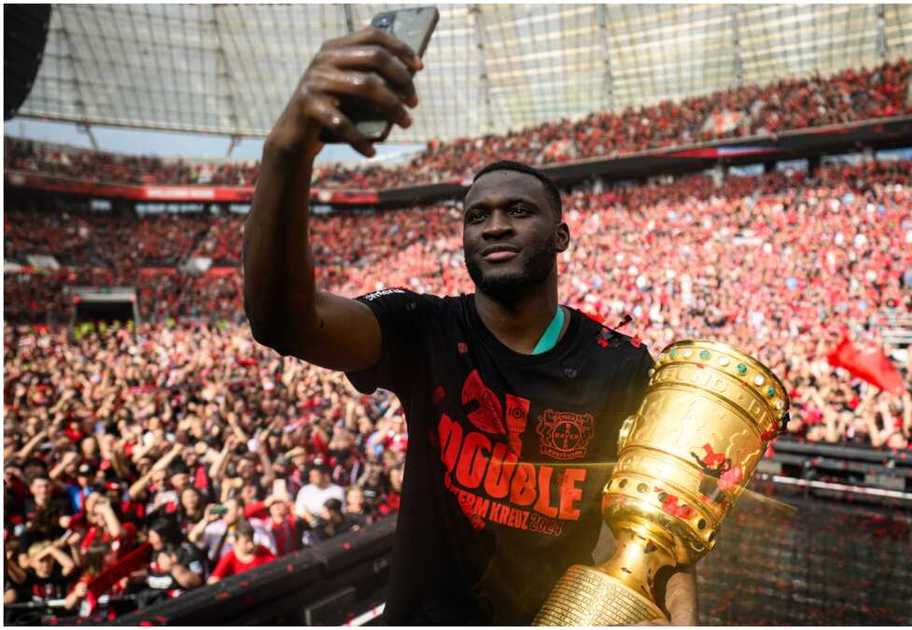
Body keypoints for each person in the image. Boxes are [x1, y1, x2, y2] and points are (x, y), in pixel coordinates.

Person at [242, 26, 696, 625]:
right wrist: (288, 145)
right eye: (477, 216)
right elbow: (284, 322)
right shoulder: (422, 328)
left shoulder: (620, 364)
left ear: (561, 236)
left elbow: (659, 527)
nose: (494, 226)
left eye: (518, 211)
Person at [207, 520, 276, 584]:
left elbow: (276, 566)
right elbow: (212, 580)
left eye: (251, 540)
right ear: (236, 542)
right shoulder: (230, 557)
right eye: (246, 542)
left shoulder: (262, 549)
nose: (251, 545)